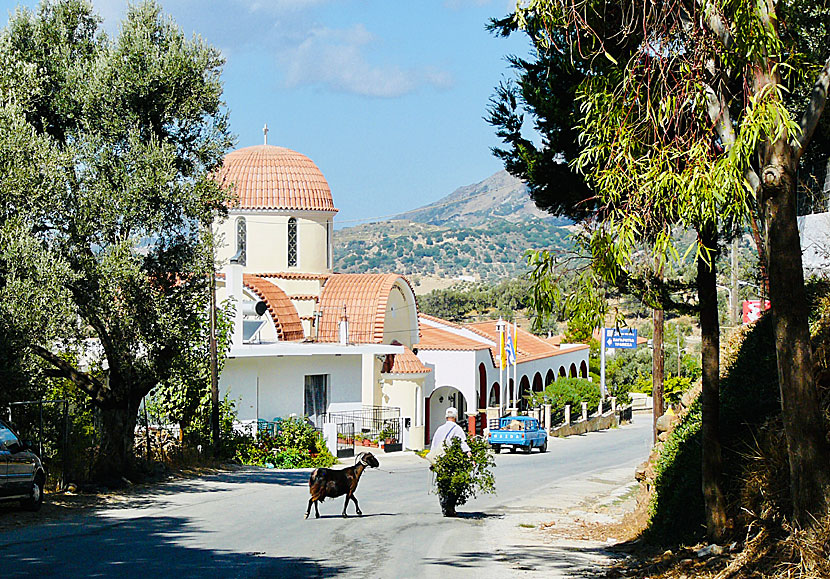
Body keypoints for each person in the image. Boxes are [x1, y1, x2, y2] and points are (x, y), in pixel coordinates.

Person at [431, 407, 472, 516]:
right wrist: (469, 453)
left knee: (442, 483)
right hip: (452, 460)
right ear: (456, 416)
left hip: (440, 460)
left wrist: (432, 461)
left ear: (446, 416)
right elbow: (462, 443)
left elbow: (434, 445)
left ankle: (444, 506)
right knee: (455, 483)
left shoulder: (439, 429)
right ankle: (450, 507)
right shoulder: (457, 429)